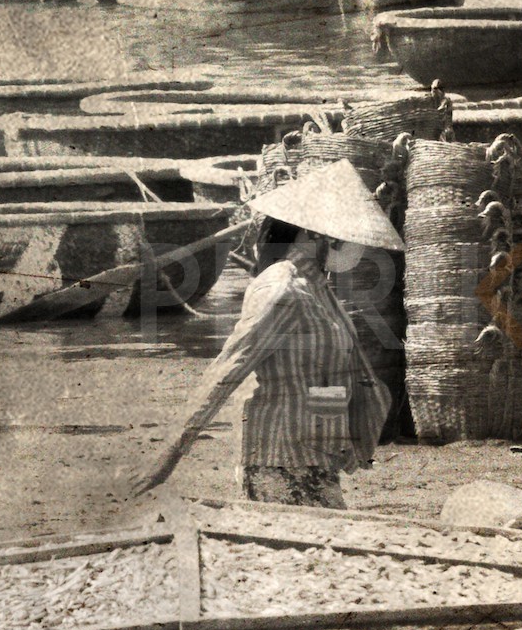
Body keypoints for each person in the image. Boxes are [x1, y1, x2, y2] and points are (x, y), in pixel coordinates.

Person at [125, 160, 404, 507]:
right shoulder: (281, 289)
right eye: (348, 235)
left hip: (317, 460)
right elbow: (226, 371)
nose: (355, 245)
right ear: (316, 234)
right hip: (278, 461)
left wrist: (343, 436)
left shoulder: (319, 288)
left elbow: (323, 375)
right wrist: (167, 456)